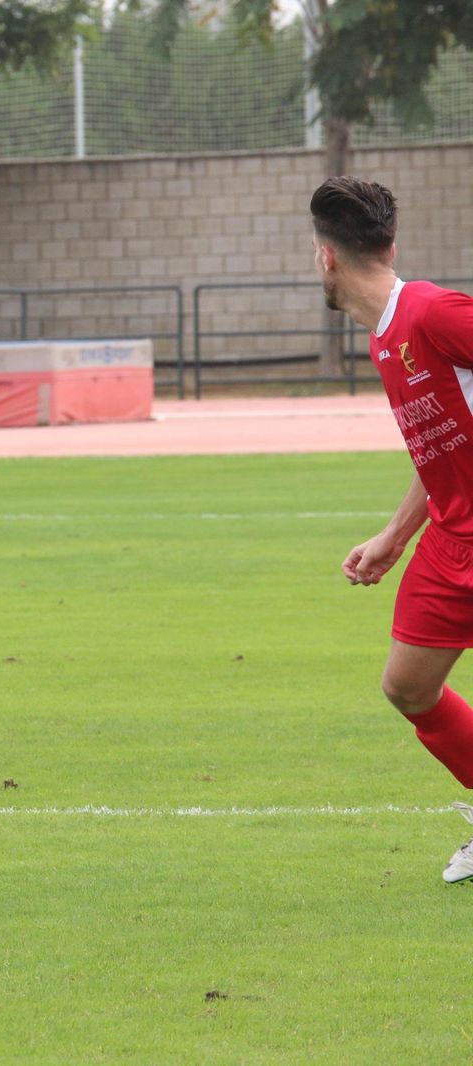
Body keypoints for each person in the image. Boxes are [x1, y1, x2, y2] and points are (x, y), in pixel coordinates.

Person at [312, 175, 473, 884]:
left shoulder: (435, 311)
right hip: (450, 536)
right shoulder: (386, 339)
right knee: (408, 685)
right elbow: (440, 445)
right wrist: (394, 535)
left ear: (326, 259)